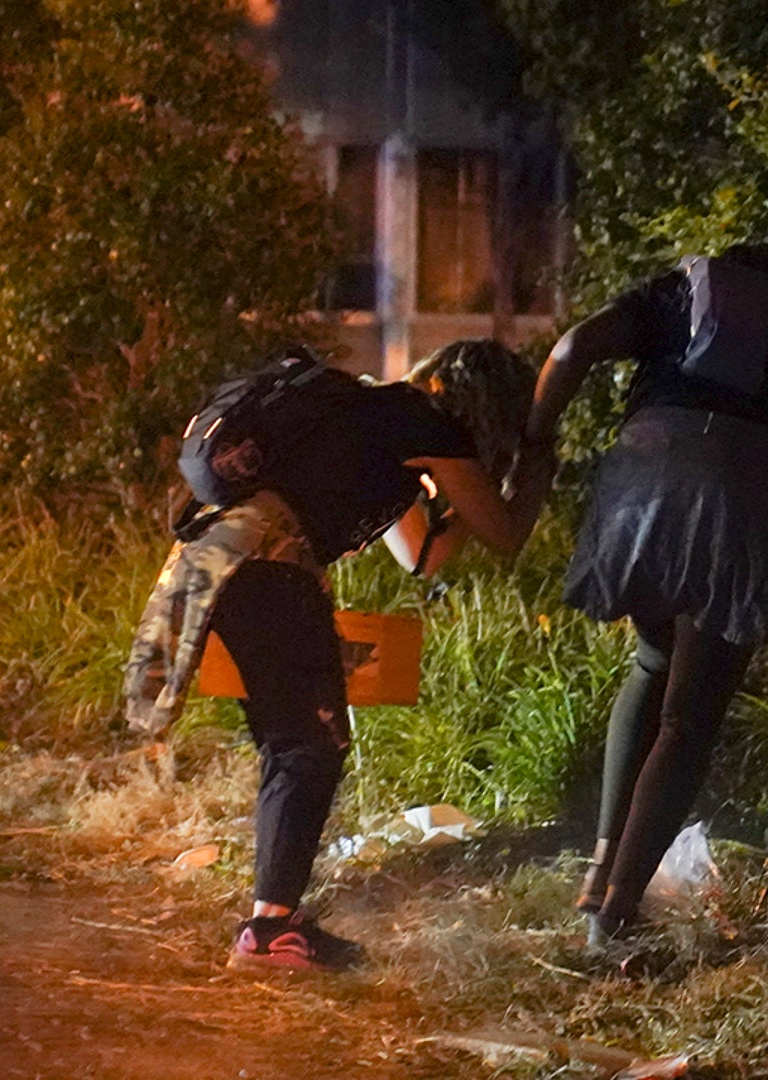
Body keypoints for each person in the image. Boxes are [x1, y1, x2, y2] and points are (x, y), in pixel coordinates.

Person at [122, 340, 546, 973]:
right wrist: (538, 468)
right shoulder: (429, 428)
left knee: (296, 741)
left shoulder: (373, 420)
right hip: (267, 561)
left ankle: (274, 923)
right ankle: (271, 934)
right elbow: (506, 532)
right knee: (306, 743)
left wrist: (446, 501)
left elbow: (422, 555)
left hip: (212, 556)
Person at [520, 243, 768, 945]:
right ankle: (617, 916)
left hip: (643, 474)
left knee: (652, 662)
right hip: (737, 487)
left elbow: (570, 350)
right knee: (687, 721)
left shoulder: (673, 296)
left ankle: (599, 873)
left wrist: (534, 443)